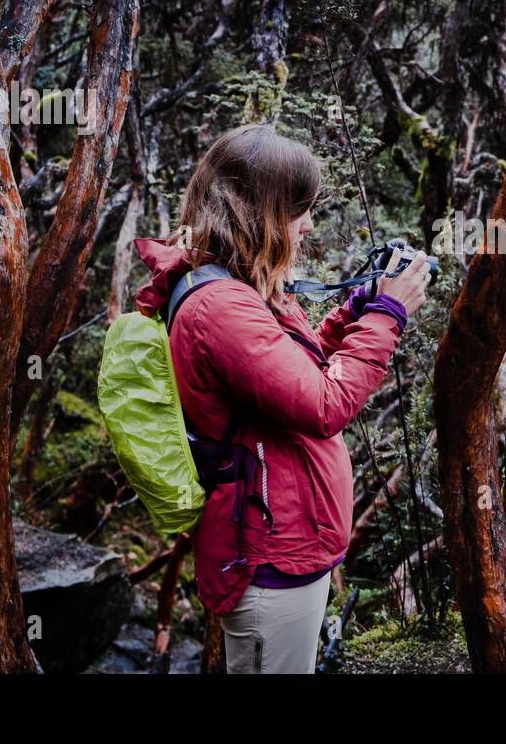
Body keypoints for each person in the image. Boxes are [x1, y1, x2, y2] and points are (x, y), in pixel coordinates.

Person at [132, 124, 430, 673]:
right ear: (260, 210)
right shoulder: (221, 306)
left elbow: (294, 370)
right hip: (269, 558)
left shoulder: (238, 286)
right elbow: (323, 404)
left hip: (284, 544)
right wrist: (389, 315)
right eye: (299, 209)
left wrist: (356, 310)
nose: (309, 223)